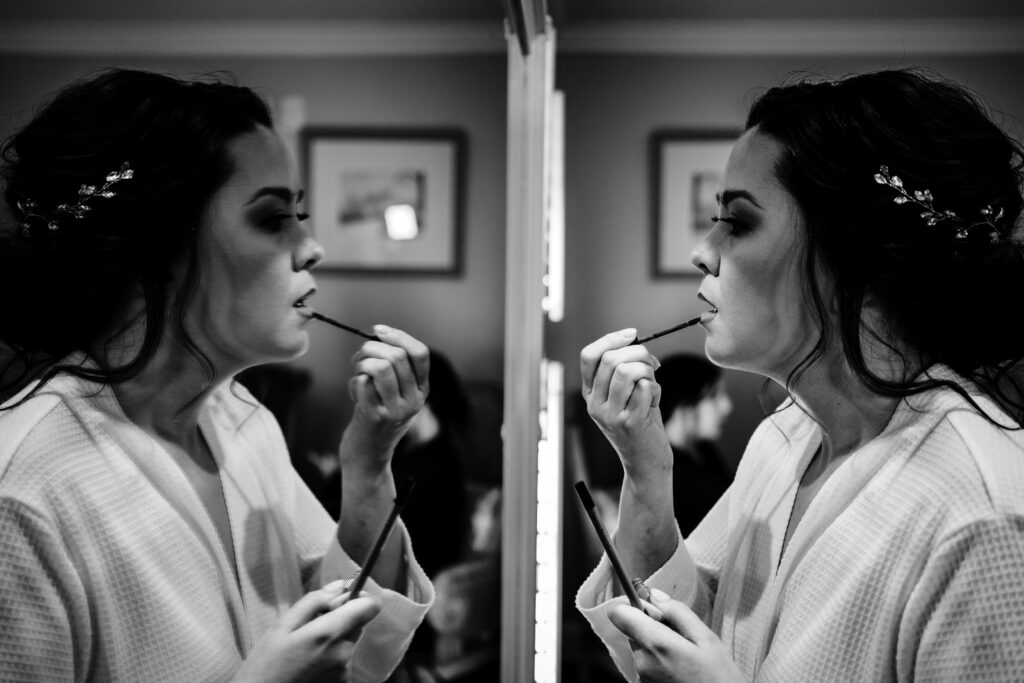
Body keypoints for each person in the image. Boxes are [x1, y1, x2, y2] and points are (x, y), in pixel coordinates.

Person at [577, 68, 1024, 681]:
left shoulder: (984, 517)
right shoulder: (785, 436)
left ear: (856, 254)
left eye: (737, 221)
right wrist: (646, 470)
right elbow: (676, 639)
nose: (703, 252)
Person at [0, 69, 434, 682]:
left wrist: (368, 466)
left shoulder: (242, 420)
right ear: (156, 247)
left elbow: (360, 647)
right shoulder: (23, 496)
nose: (312, 248)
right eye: (272, 217)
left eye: (299, 214)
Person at [656, 353, 734, 537]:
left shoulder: (705, 451)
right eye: (713, 395)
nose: (726, 406)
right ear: (683, 403)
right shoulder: (661, 469)